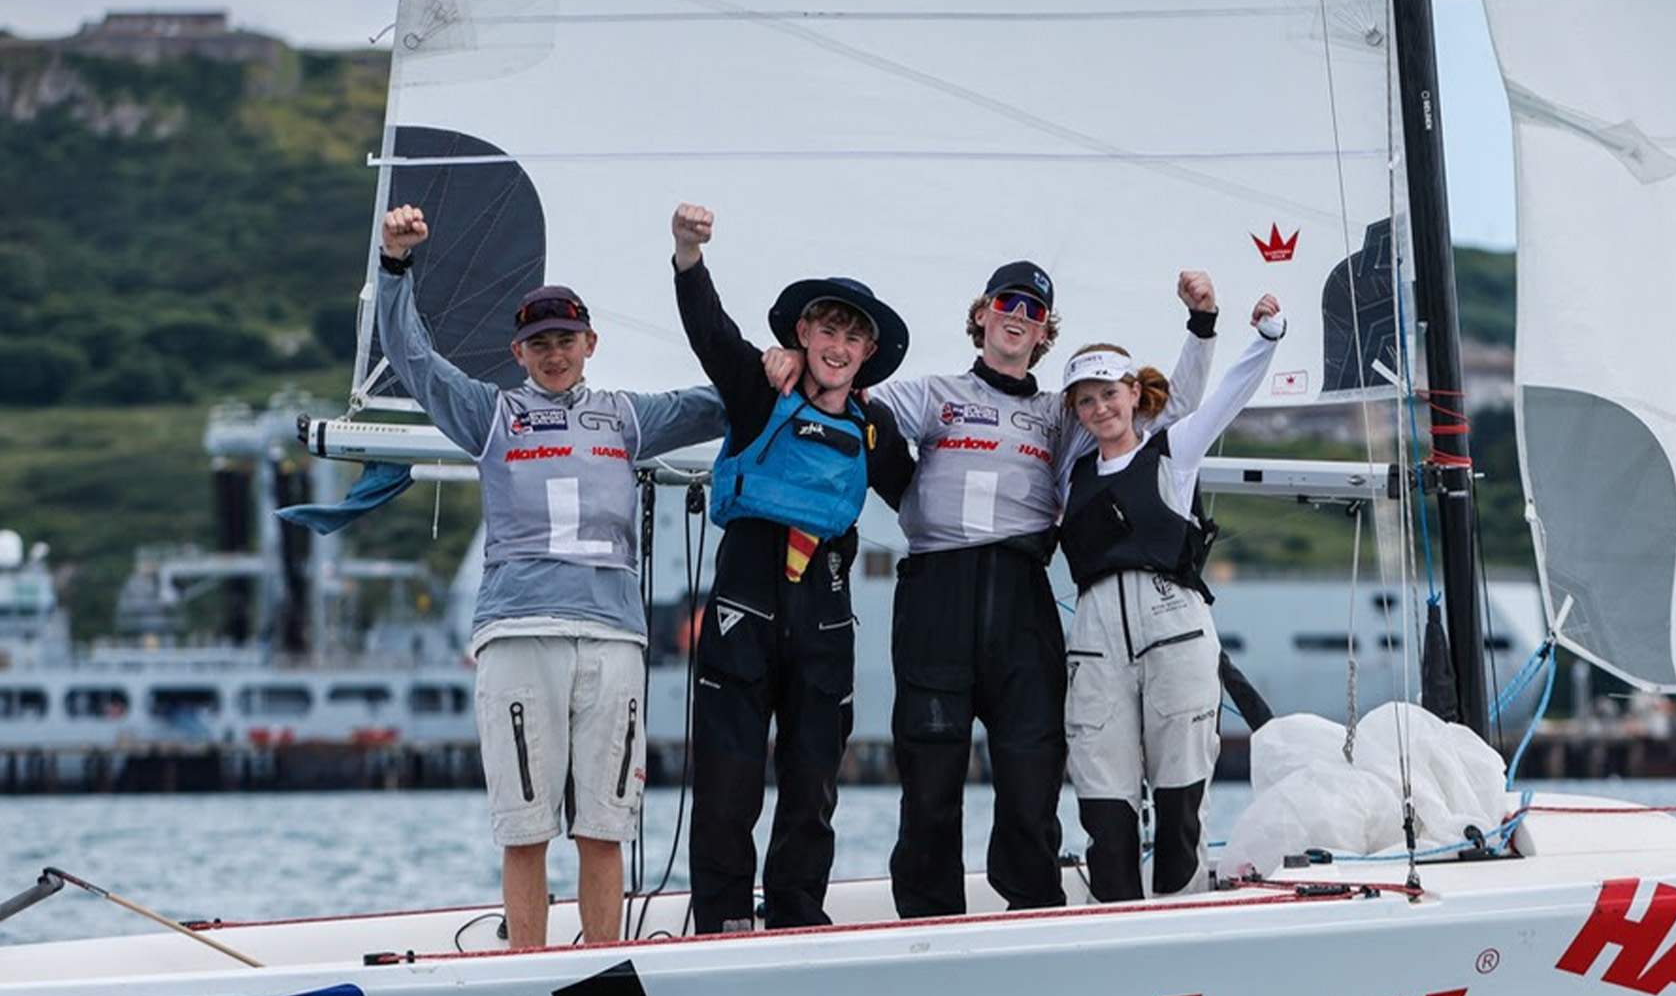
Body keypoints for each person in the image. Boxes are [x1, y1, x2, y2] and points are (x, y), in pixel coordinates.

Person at [768, 263, 1220, 917]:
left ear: (1044, 332)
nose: (1019, 314)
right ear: (982, 314)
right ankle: (929, 918)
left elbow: (1164, 413)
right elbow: (845, 396)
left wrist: (1201, 326)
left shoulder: (1061, 414)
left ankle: (1033, 908)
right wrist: (789, 360)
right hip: (937, 593)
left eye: (1034, 309)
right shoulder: (936, 393)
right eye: (1008, 301)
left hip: (1021, 595)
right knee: (929, 773)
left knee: (1031, 771)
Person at [374, 204, 727, 949]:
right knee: (525, 826)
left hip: (611, 637)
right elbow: (414, 362)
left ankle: (605, 964)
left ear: (590, 343)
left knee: (604, 826)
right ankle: (525, 966)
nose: (554, 353)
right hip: (517, 632)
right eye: (539, 343)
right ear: (519, 352)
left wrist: (789, 356)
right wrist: (396, 267)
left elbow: (732, 396)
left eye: (565, 339)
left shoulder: (629, 417)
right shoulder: (491, 414)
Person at [669, 201, 914, 933]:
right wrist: (687, 254)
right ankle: (718, 919)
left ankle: (797, 914)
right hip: (745, 603)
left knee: (812, 782)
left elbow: (924, 502)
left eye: (853, 336)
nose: (838, 345)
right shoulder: (757, 388)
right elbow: (708, 330)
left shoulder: (875, 425)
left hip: (825, 614)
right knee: (728, 778)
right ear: (802, 335)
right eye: (827, 330)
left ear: (867, 352)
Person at [1057, 289, 1286, 902]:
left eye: (1110, 393)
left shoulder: (1172, 453)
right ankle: (1114, 916)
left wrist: (1265, 336)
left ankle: (1181, 910)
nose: (1100, 407)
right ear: (1076, 412)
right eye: (1086, 400)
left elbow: (1222, 399)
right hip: (1096, 634)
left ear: (1134, 395)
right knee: (1104, 795)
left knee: (1182, 790)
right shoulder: (1068, 476)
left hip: (1175, 627)